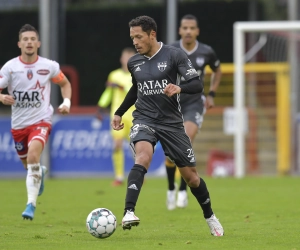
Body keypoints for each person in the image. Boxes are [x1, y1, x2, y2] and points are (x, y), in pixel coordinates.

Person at [111, 15, 224, 236]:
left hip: (172, 123)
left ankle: (210, 216)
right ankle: (128, 212)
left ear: (152, 34)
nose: (135, 42)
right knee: (143, 156)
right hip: (144, 119)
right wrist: (119, 112)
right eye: (132, 37)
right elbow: (136, 89)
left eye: (139, 37)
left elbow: (197, 84)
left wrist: (179, 88)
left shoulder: (174, 55)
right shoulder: (134, 62)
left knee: (191, 177)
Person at [0, 24, 72, 220]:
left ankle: (30, 205)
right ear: (19, 44)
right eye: (25, 39)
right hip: (18, 126)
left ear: (38, 43)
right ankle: (38, 172)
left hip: (41, 120)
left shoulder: (48, 66)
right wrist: (1, 97)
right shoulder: (10, 68)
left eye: (33, 39)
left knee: (33, 156)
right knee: (28, 165)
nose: (29, 42)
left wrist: (66, 102)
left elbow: (64, 83)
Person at [166, 14, 222, 210]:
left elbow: (217, 70)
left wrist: (212, 94)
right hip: (173, 104)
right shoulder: (170, 50)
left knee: (186, 141)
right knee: (169, 154)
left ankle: (183, 190)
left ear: (197, 31)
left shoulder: (206, 52)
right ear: (180, 30)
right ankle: (170, 189)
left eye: (192, 28)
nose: (188, 31)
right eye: (185, 28)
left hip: (194, 103)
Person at [97, 47, 136, 186]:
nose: (128, 61)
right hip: (118, 115)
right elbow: (109, 92)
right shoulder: (114, 75)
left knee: (136, 148)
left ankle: (139, 174)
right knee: (117, 145)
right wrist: (101, 106)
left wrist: (121, 87)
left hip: (134, 116)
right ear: (121, 59)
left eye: (131, 58)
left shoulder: (137, 75)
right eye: (126, 57)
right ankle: (119, 177)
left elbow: (136, 93)